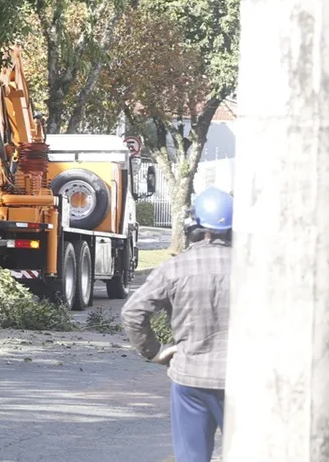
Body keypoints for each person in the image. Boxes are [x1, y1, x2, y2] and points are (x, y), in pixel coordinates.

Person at [121, 187, 233, 462]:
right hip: (243, 381)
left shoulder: (175, 268)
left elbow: (132, 312)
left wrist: (154, 351)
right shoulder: (255, 267)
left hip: (190, 379)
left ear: (194, 228)